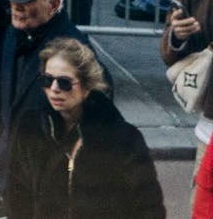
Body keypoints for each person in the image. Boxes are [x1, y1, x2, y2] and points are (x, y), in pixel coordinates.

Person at [9, 38, 163, 219]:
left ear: (87, 85)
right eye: (47, 80)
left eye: (64, 82)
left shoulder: (124, 139)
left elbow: (149, 208)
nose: (54, 89)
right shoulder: (31, 127)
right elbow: (17, 194)